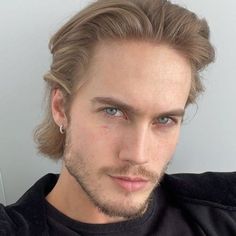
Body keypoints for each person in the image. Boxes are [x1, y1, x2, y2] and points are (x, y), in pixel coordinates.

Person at [0, 0, 235, 235]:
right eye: (113, 111)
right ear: (61, 107)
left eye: (164, 120)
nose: (138, 155)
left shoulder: (221, 211)